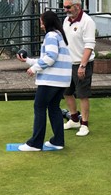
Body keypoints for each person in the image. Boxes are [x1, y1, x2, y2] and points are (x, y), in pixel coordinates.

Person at [17, 11, 72, 151]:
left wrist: (34, 69)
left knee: (39, 107)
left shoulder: (51, 35)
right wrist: (28, 61)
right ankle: (58, 141)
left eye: (42, 22)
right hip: (62, 80)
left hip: (50, 81)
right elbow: (50, 58)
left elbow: (51, 57)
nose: (41, 25)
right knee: (54, 108)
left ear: (47, 22)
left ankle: (35, 144)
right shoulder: (59, 35)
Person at [62, 0, 96, 137]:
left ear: (77, 6)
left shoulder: (87, 21)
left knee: (82, 94)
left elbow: (89, 45)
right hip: (67, 63)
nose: (65, 10)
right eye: (64, 7)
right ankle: (74, 119)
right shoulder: (66, 20)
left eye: (68, 7)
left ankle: (84, 125)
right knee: (66, 92)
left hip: (82, 63)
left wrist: (82, 65)